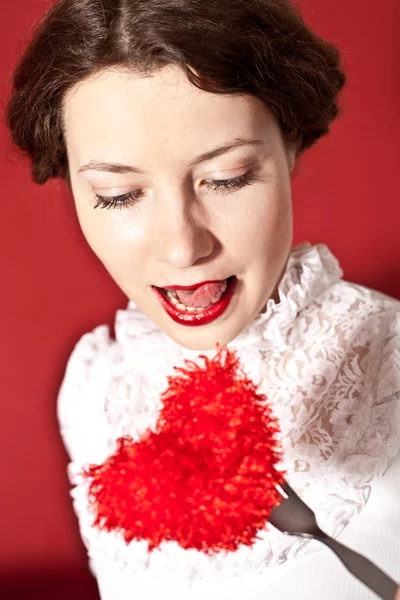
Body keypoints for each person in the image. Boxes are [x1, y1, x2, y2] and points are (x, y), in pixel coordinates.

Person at [6, 0, 400, 598]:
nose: (183, 247)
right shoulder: (95, 392)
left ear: (289, 146)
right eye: (118, 194)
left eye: (227, 178)